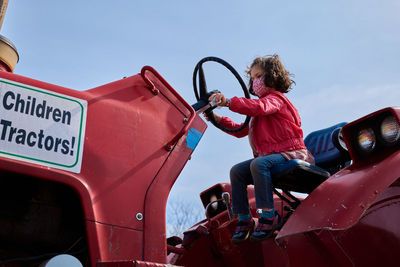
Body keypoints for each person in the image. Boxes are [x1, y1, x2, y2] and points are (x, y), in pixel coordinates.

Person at [206, 54, 314, 243]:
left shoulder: (276, 100)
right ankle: (244, 219)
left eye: (259, 76)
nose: (255, 81)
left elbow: (261, 107)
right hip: (272, 156)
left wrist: (229, 102)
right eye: (253, 77)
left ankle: (268, 215)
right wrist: (216, 118)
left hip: (290, 152)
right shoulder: (259, 114)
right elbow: (241, 129)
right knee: (237, 171)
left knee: (259, 164)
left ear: (272, 76)